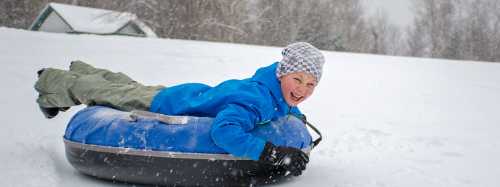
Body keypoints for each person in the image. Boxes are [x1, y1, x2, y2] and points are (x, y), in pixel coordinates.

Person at [34, 42, 325, 176]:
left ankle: (82, 69)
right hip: (166, 104)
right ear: (281, 74)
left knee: (127, 88)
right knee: (109, 94)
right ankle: (52, 81)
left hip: (185, 94)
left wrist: (295, 115)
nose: (302, 90)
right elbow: (223, 131)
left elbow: (286, 108)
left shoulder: (275, 94)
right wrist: (271, 154)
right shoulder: (258, 99)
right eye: (297, 79)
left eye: (311, 84)